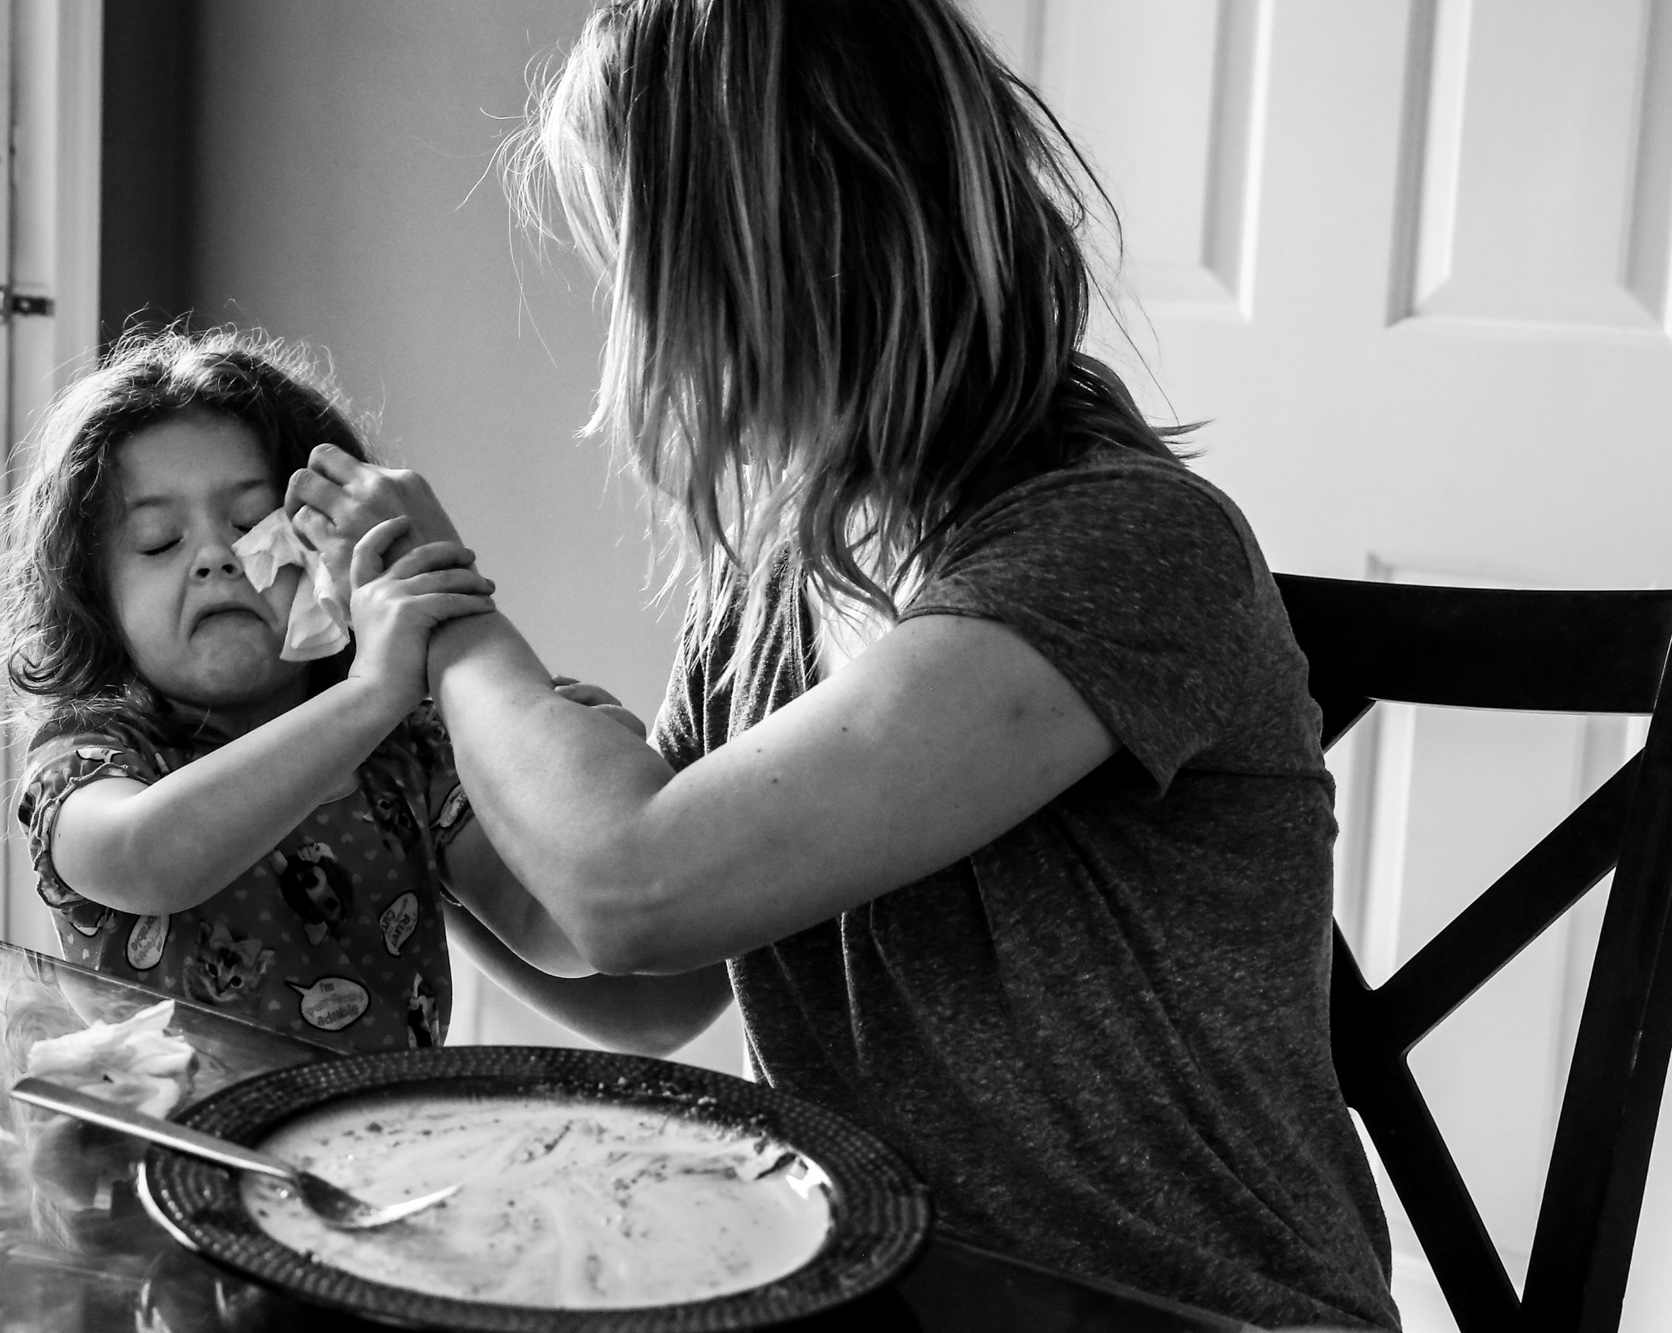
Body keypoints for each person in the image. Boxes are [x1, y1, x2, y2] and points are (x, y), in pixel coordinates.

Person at [283, 2, 1402, 1328]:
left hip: (1175, 1307)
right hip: (887, 1301)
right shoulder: (779, 575)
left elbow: (633, 885)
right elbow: (652, 987)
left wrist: (448, 618)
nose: (630, 315)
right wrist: (397, 745)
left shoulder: (1120, 544)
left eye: (633, 258)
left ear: (766, 254)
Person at [0, 329, 500, 1051]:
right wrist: (372, 690)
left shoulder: (407, 745)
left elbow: (560, 932)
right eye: (161, 540)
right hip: (170, 1156)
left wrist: (561, 747)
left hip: (376, 1153)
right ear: (95, 599)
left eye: (253, 523)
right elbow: (149, 855)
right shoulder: (87, 757)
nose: (216, 559)